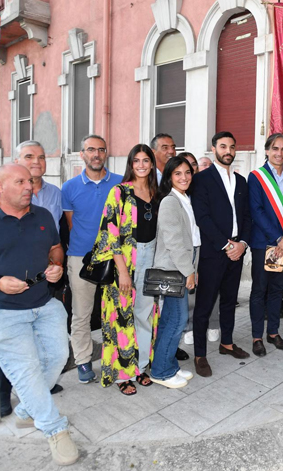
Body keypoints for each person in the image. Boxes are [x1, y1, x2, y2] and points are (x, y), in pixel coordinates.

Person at [0, 163, 78, 466]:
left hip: (42, 301)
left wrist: (56, 265)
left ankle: (26, 411)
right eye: (20, 181)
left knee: (58, 357)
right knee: (26, 371)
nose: (29, 187)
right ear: (0, 186)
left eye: (31, 182)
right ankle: (54, 429)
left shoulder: (43, 216)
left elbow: (56, 248)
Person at [90, 144, 160, 395]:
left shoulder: (156, 192)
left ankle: (140, 367)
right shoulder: (119, 192)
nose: (141, 165)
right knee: (120, 319)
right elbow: (110, 233)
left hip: (151, 258)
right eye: (136, 161)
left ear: (152, 164)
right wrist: (122, 271)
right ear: (131, 164)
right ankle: (122, 375)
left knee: (145, 315)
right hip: (125, 260)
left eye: (146, 161)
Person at [61, 134, 123, 384]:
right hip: (81, 257)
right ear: (82, 154)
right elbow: (71, 224)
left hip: (116, 257)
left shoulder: (121, 183)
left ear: (106, 153)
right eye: (91, 150)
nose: (96, 154)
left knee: (117, 311)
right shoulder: (69, 187)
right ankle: (83, 360)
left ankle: (117, 357)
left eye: (101, 149)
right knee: (81, 313)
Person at [190, 131, 252, 377]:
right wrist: (226, 246)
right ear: (213, 148)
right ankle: (200, 354)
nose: (228, 151)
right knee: (204, 305)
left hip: (237, 250)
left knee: (229, 300)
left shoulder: (241, 181)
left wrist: (242, 244)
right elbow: (202, 217)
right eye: (223, 146)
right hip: (215, 252)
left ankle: (227, 343)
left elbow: (247, 216)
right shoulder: (202, 180)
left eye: (232, 147)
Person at [248, 133, 283, 356]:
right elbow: (256, 211)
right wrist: (278, 238)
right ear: (267, 151)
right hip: (264, 244)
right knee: (260, 289)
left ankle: (273, 333)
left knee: (278, 290)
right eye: (275, 149)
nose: (280, 153)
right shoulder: (256, 177)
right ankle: (256, 336)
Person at [151, 156, 200, 388]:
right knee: (177, 319)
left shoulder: (184, 198)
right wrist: (189, 271)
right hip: (174, 267)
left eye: (187, 172)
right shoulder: (170, 202)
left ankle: (166, 365)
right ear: (169, 177)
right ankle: (161, 372)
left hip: (182, 265)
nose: (184, 177)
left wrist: (193, 268)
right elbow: (174, 242)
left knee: (170, 318)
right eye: (178, 173)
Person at [0, 141, 62, 229]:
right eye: (29, 157)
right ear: (16, 161)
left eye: (41, 158)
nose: (36, 161)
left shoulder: (55, 192)